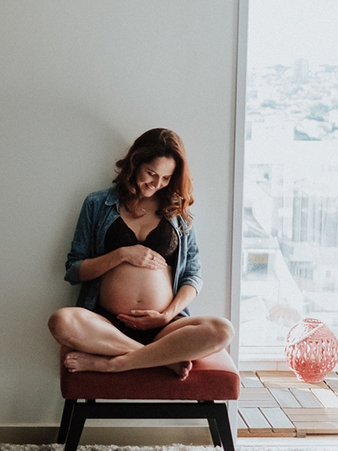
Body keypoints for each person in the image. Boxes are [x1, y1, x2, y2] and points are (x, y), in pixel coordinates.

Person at [48, 128, 233, 379]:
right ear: (135, 163)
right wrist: (122, 254)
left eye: (166, 178)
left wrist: (165, 315)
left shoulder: (178, 212)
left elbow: (193, 275)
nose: (156, 184)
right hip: (107, 324)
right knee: (61, 321)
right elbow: (74, 270)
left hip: (165, 327)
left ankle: (114, 363)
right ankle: (160, 359)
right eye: (151, 174)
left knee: (223, 330)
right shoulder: (97, 204)